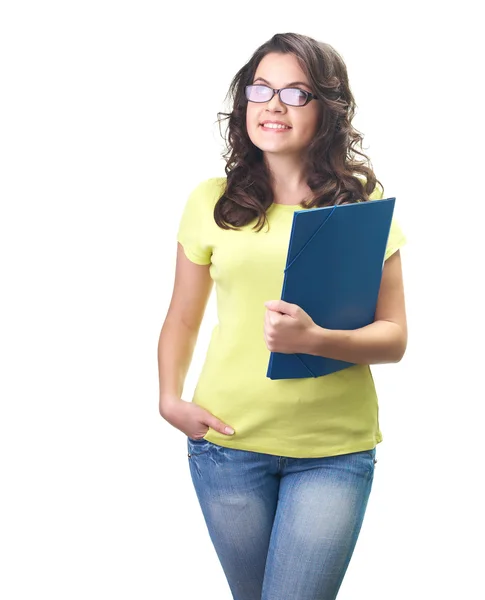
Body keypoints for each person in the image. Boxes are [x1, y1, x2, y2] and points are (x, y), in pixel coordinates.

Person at [157, 32, 407, 600]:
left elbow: (394, 339)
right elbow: (181, 317)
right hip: (228, 444)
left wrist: (315, 338)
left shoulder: (361, 206)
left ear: (328, 108)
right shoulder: (210, 201)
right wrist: (170, 398)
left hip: (332, 450)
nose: (273, 105)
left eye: (296, 93)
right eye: (260, 89)